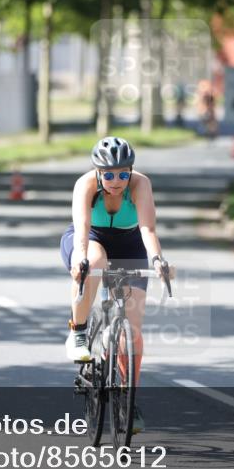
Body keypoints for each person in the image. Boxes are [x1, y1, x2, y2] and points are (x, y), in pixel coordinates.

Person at [59, 137, 170, 435]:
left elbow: (147, 229)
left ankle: (128, 399)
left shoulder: (140, 185)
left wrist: (158, 259)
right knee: (94, 262)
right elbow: (81, 230)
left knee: (131, 330)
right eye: (108, 175)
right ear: (97, 172)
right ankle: (79, 333)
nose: (117, 181)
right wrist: (80, 259)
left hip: (129, 244)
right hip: (88, 239)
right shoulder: (85, 186)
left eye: (123, 173)